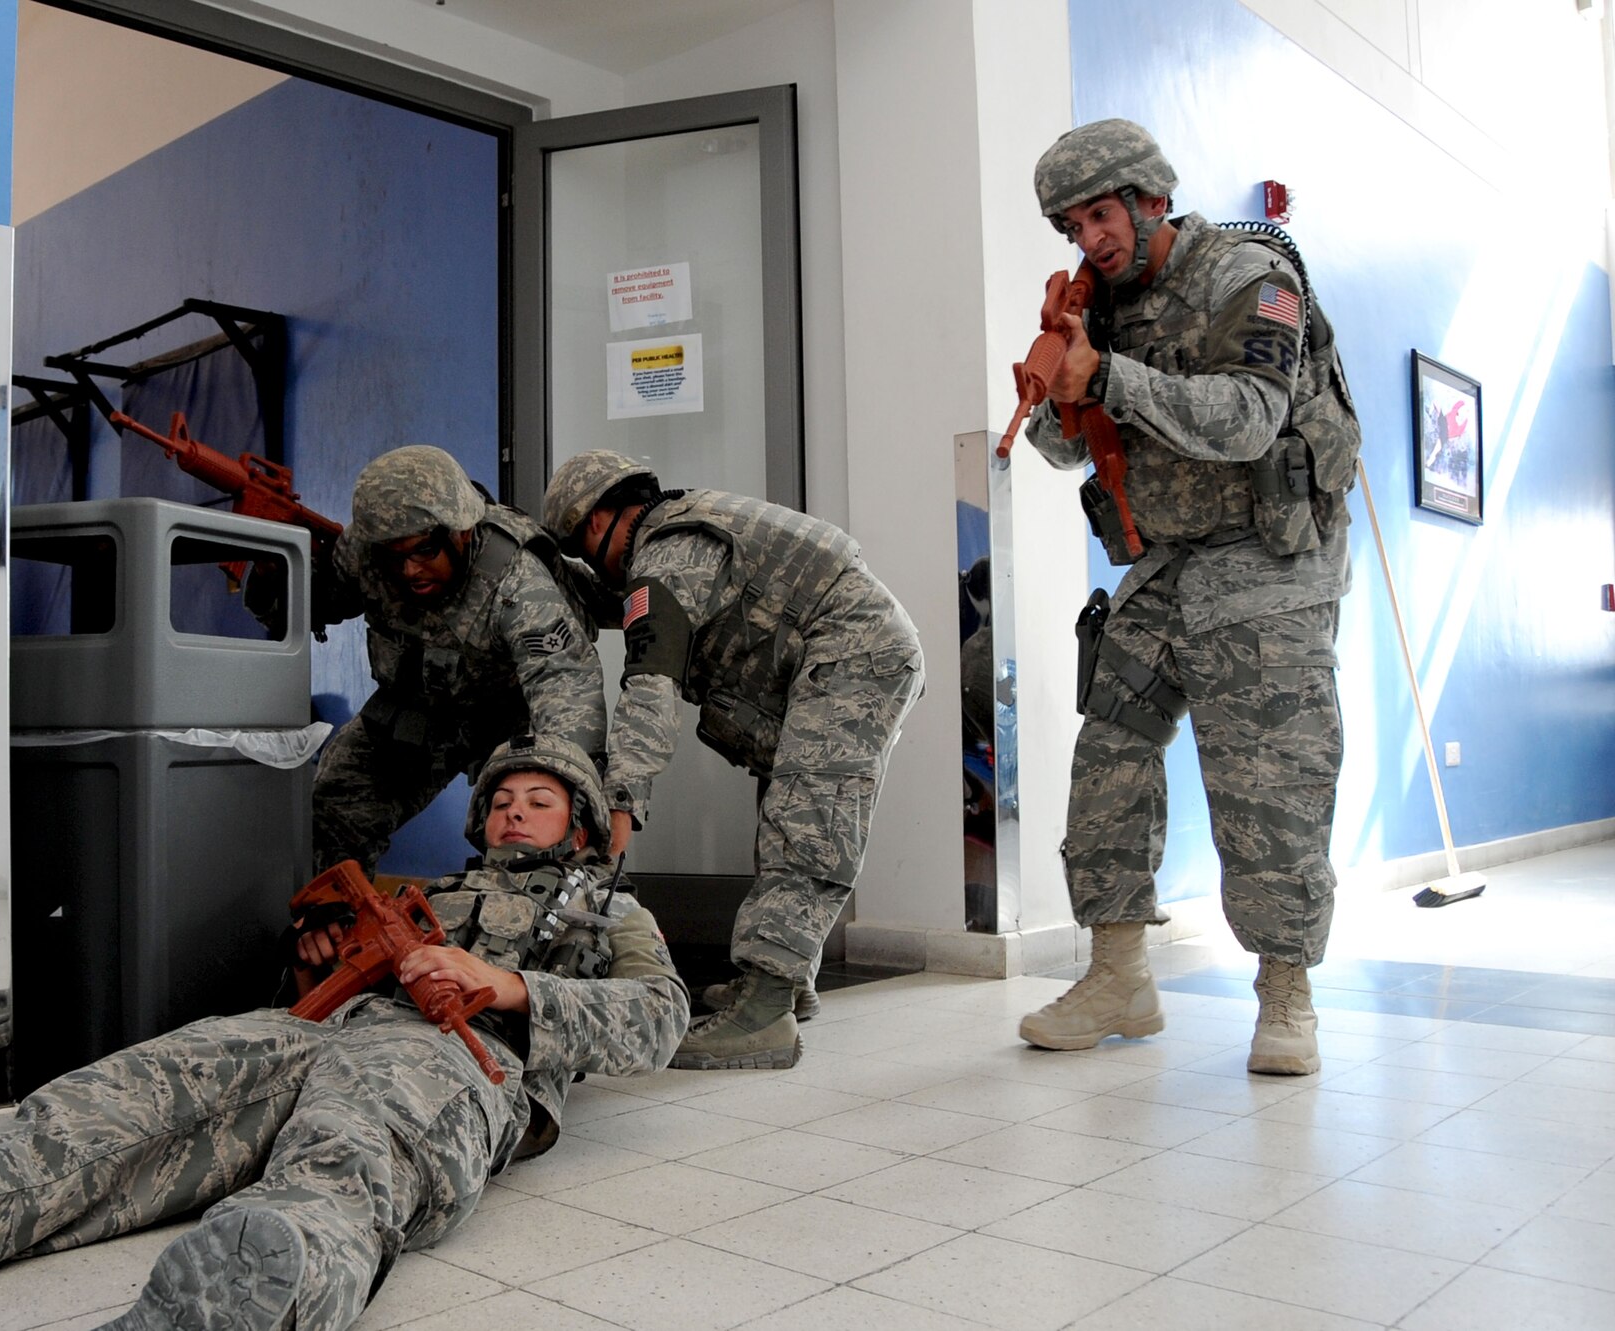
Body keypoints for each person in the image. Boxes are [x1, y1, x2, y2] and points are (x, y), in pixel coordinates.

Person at [0, 736, 687, 1331]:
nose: (511, 813)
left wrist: (496, 980)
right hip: (305, 1030)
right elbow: (305, 977)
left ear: (579, 826)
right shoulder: (422, 886)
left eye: (538, 800)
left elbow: (659, 1015)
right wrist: (315, 960)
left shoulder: (604, 918)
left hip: (455, 1056)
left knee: (353, 1155)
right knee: (100, 1110)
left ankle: (250, 1298)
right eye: (500, 799)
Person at [1012, 119, 1358, 1075]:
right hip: (1169, 562)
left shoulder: (1249, 277)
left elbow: (1250, 419)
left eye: (1098, 214)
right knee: (1108, 751)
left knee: (1268, 782)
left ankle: (1287, 992)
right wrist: (1057, 389)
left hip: (1270, 553)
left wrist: (1111, 376)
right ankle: (1120, 974)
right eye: (1071, 225)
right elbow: (1069, 448)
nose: (1089, 239)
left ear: (1149, 197)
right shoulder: (1102, 304)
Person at [540, 454, 924, 1071]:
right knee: (789, 813)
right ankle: (782, 982)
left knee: (808, 817)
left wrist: (621, 801)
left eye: (583, 550)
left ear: (599, 519)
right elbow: (617, 608)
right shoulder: (680, 533)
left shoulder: (666, 555)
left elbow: (650, 683)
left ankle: (764, 1014)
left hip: (853, 652)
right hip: (844, 652)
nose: (597, 568)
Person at [257, 445, 607, 875]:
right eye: (394, 556)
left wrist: (557, 786)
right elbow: (315, 605)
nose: (409, 571)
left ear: (460, 532)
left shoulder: (515, 580)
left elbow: (566, 687)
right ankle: (339, 925)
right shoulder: (365, 551)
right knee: (332, 815)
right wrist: (271, 571)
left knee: (540, 832)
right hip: (419, 711)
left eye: (423, 550)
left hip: (513, 720)